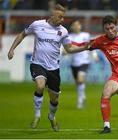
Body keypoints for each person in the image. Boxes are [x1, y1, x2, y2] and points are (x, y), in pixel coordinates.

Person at [7, 4, 89, 132]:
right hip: (37, 63)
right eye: (60, 17)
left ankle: (51, 116)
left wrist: (84, 47)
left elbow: (69, 48)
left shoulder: (63, 31)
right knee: (40, 85)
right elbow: (22, 34)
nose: (62, 20)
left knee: (54, 98)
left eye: (64, 17)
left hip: (53, 68)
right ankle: (37, 115)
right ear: (53, 14)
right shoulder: (37, 24)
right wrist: (12, 49)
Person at [69, 20, 91, 109]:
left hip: (84, 61)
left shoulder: (86, 35)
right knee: (78, 82)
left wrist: (94, 55)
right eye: (74, 25)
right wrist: (64, 52)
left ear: (80, 26)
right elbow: (66, 49)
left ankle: (80, 101)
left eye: (78, 24)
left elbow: (91, 47)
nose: (77, 26)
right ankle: (83, 96)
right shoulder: (69, 37)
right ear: (72, 27)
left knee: (80, 79)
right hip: (74, 63)